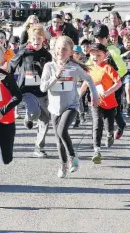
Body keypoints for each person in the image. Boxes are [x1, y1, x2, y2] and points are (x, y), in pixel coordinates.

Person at [40, 36, 99, 178]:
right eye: (58, 48)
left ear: (70, 52)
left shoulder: (74, 67)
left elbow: (89, 79)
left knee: (62, 130)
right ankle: (63, 164)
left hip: (71, 105)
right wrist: (55, 76)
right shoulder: (49, 67)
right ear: (54, 50)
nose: (61, 51)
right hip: (54, 108)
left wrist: (94, 95)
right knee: (58, 139)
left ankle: (72, 156)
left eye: (64, 49)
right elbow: (43, 88)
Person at [9, 25, 52, 157]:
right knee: (34, 112)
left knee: (45, 119)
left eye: (39, 38)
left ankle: (39, 147)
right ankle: (28, 117)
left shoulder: (46, 54)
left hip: (42, 90)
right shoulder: (24, 51)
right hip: (27, 89)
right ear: (29, 38)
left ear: (43, 39)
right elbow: (11, 65)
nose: (36, 40)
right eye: (34, 38)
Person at [80, 43, 121, 164]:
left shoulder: (107, 67)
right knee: (97, 124)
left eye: (98, 55)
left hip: (110, 103)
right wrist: (78, 95)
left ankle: (110, 135)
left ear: (105, 55)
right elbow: (85, 84)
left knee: (109, 126)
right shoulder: (89, 69)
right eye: (93, 55)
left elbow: (118, 83)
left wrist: (108, 92)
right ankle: (97, 150)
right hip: (96, 101)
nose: (95, 57)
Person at [0, 45, 22, 164]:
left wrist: (2, 111)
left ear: (3, 59)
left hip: (5, 119)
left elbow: (18, 96)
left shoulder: (7, 77)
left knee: (6, 158)